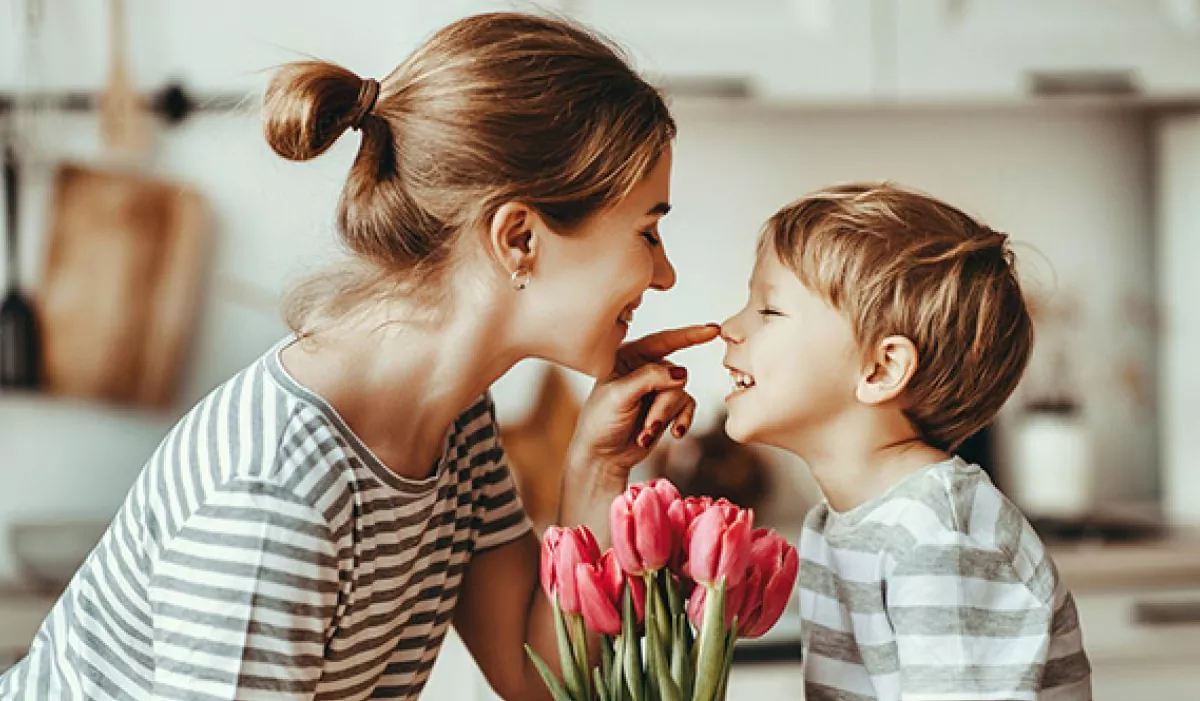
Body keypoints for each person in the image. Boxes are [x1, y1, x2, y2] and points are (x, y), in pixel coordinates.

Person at [0, 12, 719, 701]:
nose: (664, 275)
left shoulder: (457, 420)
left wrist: (597, 468)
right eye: (647, 233)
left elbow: (533, 674)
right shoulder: (278, 491)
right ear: (519, 238)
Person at [718, 183, 1092, 701]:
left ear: (881, 368)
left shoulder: (938, 534)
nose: (728, 327)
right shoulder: (838, 524)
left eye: (769, 310)